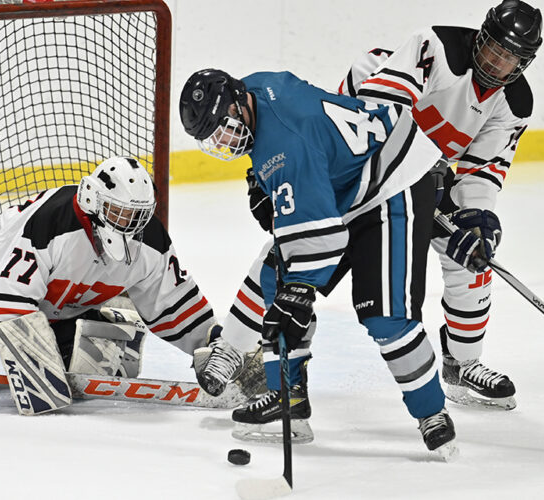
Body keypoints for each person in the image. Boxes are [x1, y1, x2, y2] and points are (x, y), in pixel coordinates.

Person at [180, 68, 458, 457]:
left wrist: (300, 290)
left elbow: (323, 240)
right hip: (346, 182)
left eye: (223, 130)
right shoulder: (255, 90)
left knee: (384, 316)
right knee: (276, 280)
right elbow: (308, 135)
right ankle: (288, 399)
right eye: (214, 139)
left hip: (394, 180)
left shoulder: (286, 149)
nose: (224, 142)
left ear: (236, 106)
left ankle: (432, 412)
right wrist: (262, 179)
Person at [0, 156, 247, 410]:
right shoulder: (49, 224)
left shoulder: (150, 243)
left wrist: (216, 344)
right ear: (93, 200)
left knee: (92, 369)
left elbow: (174, 304)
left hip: (64, 313)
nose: (130, 225)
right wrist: (35, 366)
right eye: (119, 212)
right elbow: (7, 301)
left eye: (138, 216)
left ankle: (103, 325)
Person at [337, 0, 543, 410]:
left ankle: (462, 362)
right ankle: (253, 343)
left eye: (509, 58)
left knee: (471, 253)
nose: (496, 62)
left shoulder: (515, 103)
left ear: (523, 63)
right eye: (494, 49)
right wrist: (414, 169)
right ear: (480, 38)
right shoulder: (438, 47)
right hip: (361, 152)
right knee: (318, 244)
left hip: (427, 174)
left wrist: (478, 218)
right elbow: (381, 108)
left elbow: (481, 171)